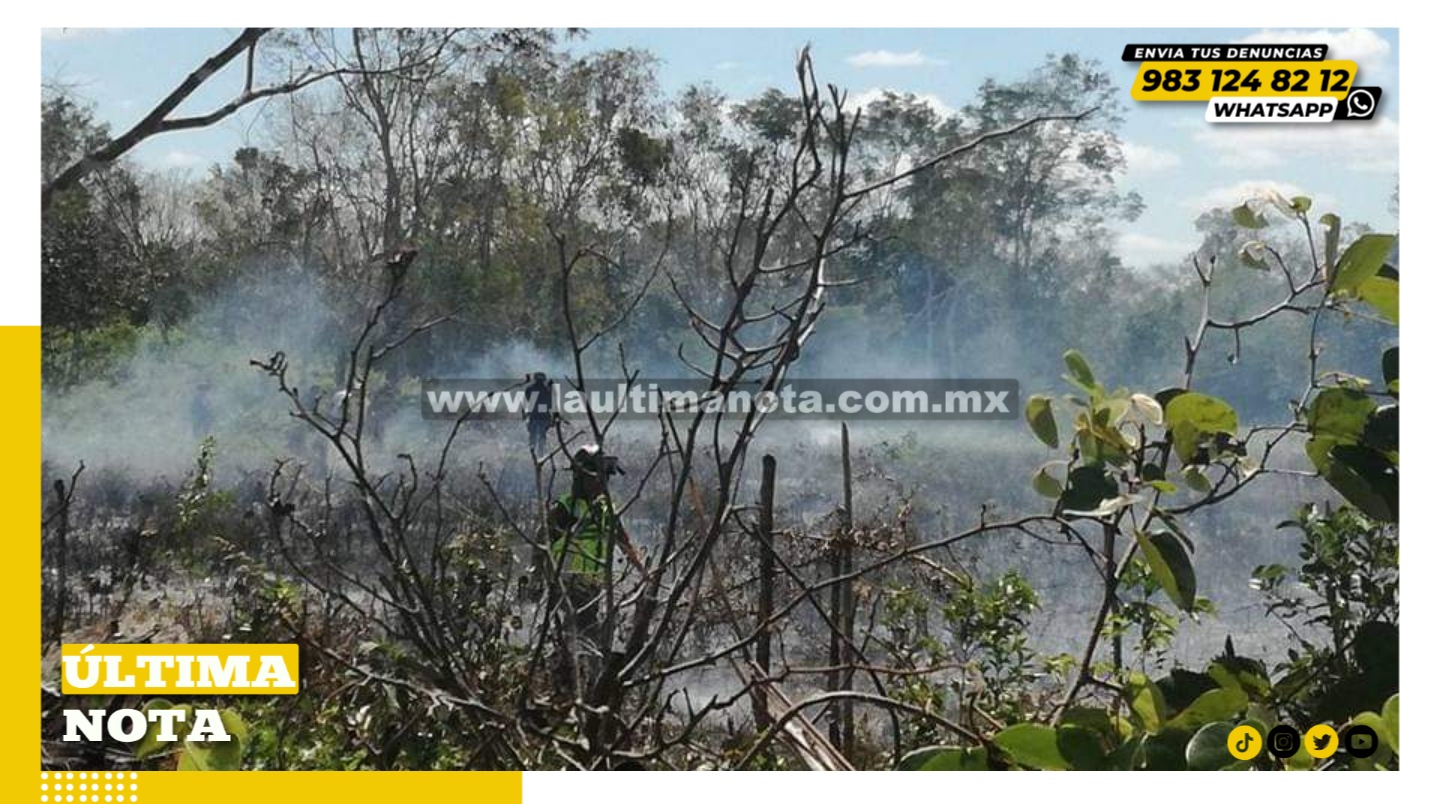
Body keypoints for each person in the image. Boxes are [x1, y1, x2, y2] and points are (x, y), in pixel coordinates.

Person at [546, 446, 644, 655]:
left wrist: (644, 573)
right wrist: (541, 578)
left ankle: (575, 667)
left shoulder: (606, 509)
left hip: (592, 584)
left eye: (605, 478)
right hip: (567, 582)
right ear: (580, 477)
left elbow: (623, 541)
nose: (601, 483)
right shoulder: (565, 508)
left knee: (584, 631)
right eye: (596, 478)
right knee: (582, 631)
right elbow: (542, 546)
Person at [523, 372, 556, 455]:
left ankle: (534, 453)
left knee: (533, 436)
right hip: (541, 416)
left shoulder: (530, 389)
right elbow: (550, 404)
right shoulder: (546, 390)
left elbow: (528, 399)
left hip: (535, 416)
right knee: (540, 436)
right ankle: (538, 453)